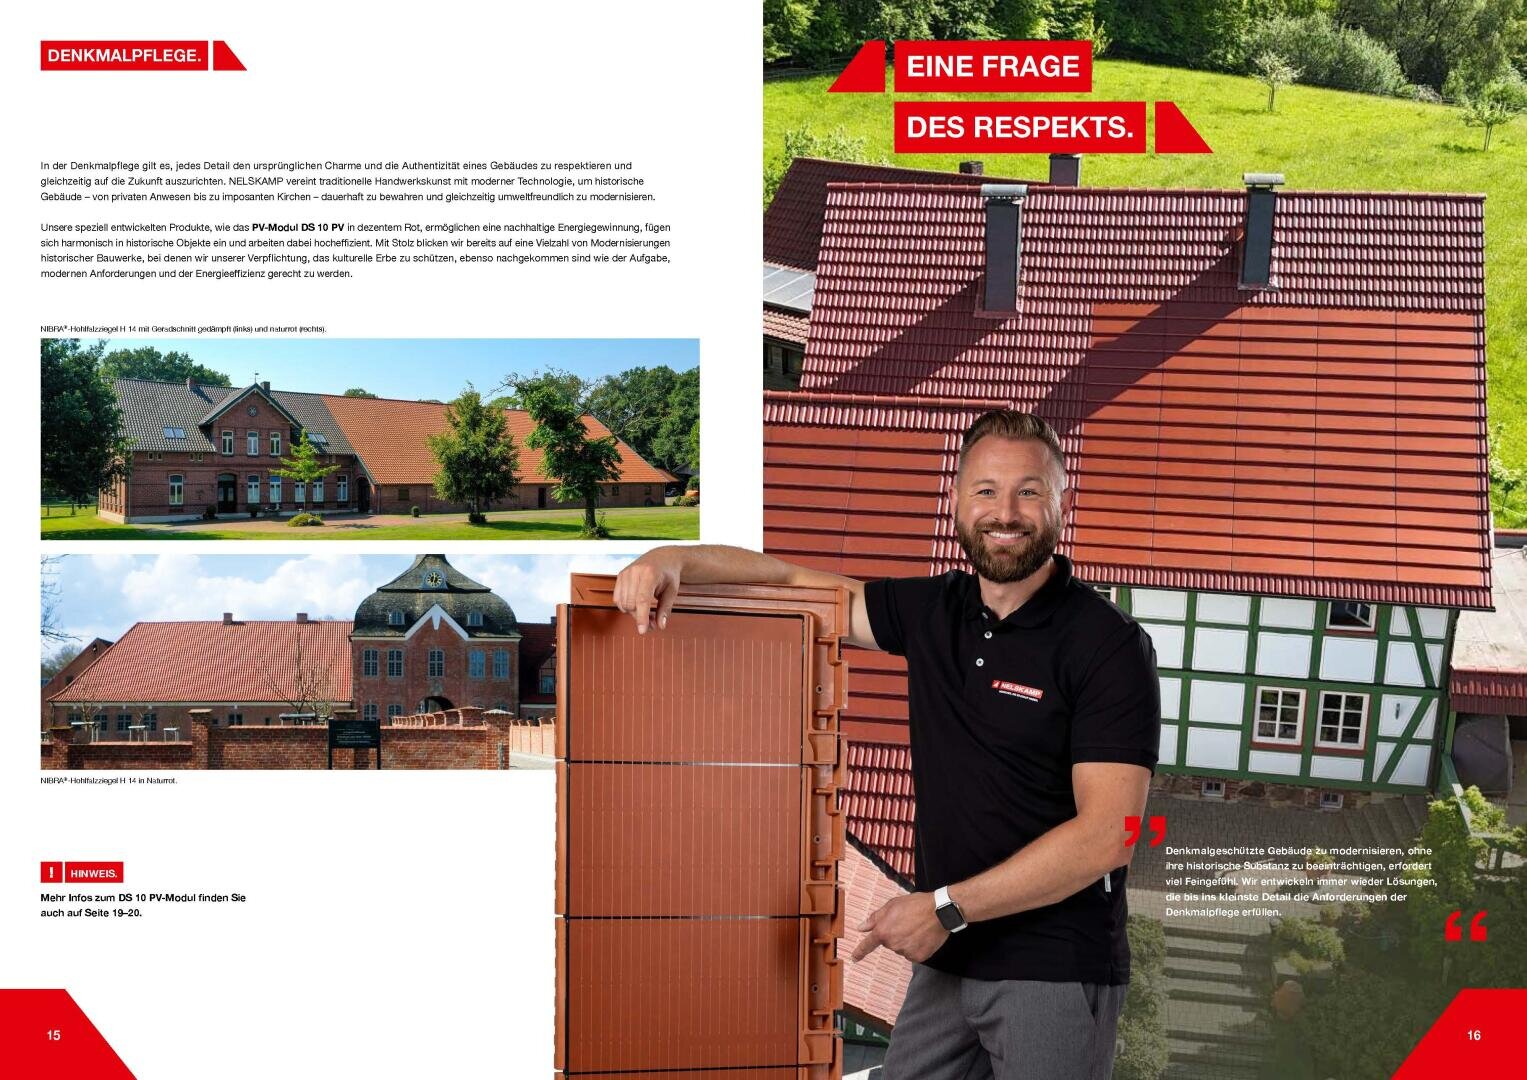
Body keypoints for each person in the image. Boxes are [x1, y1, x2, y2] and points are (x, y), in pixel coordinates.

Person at [612, 409, 1159, 1080]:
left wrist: (945, 907)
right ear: (956, 500)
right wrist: (667, 557)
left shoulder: (1107, 646)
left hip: (1050, 964)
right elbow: (785, 584)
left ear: (1058, 501)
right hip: (949, 954)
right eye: (985, 490)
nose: (1005, 511)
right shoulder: (934, 612)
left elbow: (1110, 833)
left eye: (1027, 490)